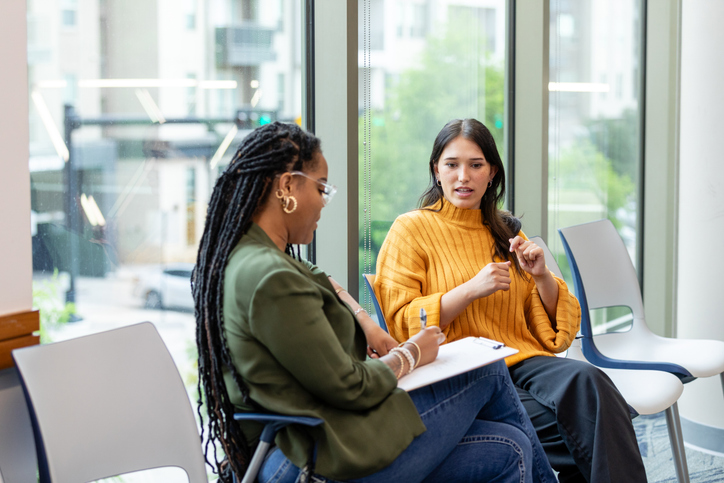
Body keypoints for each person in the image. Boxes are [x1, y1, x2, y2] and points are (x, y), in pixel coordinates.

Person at [192, 121, 558, 483]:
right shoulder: (271, 276)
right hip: (311, 456)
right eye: (321, 188)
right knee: (485, 367)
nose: (323, 202)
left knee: (509, 448)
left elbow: (319, 278)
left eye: (476, 165)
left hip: (318, 436)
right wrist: (411, 353)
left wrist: (364, 319)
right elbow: (351, 386)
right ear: (287, 187)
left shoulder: (250, 256)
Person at [374, 118, 648, 483]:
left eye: (476, 165)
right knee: (595, 425)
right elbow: (399, 322)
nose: (463, 177)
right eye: (452, 165)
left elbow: (556, 332)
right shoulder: (410, 229)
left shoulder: (504, 230)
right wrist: (469, 290)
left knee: (589, 381)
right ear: (435, 171)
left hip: (519, 362)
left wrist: (541, 276)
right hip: (462, 376)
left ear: (492, 173)